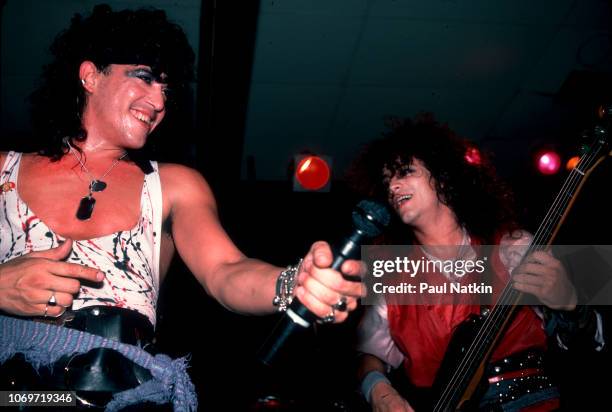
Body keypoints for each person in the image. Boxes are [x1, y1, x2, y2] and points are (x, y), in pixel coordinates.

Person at [0, 4, 363, 410]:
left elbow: (226, 271)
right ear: (90, 75)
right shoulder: (4, 171)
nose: (158, 100)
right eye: (145, 77)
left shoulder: (173, 184)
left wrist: (291, 284)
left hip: (125, 391)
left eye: (167, 90)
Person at [350, 115, 602, 411]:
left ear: (442, 178)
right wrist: (378, 391)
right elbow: (367, 355)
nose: (393, 185)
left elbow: (585, 346)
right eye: (387, 180)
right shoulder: (392, 280)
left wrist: (570, 304)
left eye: (405, 172)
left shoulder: (511, 247)